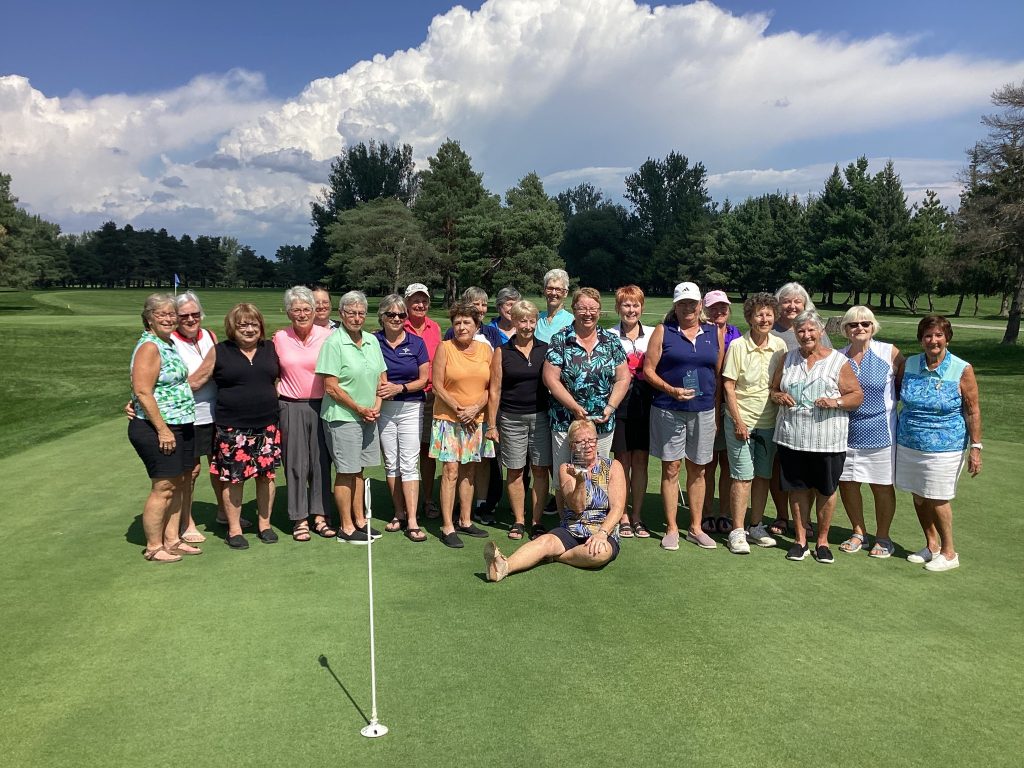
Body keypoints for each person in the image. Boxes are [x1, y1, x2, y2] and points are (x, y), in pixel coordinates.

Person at [770, 309, 863, 563]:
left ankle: (822, 541)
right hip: (793, 437)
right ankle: (800, 540)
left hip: (827, 439)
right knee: (797, 489)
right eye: (801, 330)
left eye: (811, 330)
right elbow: (774, 389)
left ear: (821, 331)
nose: (806, 335)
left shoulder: (838, 361)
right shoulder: (787, 359)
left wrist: (835, 401)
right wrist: (778, 396)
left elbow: (856, 395)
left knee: (825, 489)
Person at [484, 419, 625, 582]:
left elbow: (618, 508)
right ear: (572, 446)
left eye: (591, 440)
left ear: (597, 440)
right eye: (581, 441)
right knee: (544, 541)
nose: (588, 445)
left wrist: (602, 534)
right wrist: (580, 481)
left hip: (603, 529)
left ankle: (558, 556)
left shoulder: (613, 466)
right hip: (572, 528)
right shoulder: (566, 469)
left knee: (599, 554)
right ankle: (503, 566)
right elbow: (577, 507)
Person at [895, 315, 982, 572]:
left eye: (938, 335)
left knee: (938, 497)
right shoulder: (909, 364)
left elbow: (973, 410)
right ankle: (931, 545)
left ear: (947, 338)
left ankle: (949, 552)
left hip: (946, 446)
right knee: (919, 496)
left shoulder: (961, 369)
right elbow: (896, 393)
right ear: (921, 339)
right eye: (928, 336)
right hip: (910, 442)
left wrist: (976, 447)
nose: (933, 340)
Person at [643, 282, 724, 551]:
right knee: (671, 468)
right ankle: (672, 527)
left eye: (692, 303)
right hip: (668, 408)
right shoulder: (663, 331)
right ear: (675, 306)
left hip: (703, 410)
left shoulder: (713, 332)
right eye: (682, 304)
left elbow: (718, 372)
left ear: (700, 305)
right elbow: (648, 371)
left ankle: (696, 527)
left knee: (699, 469)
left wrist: (716, 409)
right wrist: (671, 389)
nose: (688, 308)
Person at [199, 303, 283, 549]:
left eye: (254, 324)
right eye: (242, 325)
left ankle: (264, 525)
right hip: (232, 427)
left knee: (267, 477)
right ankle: (234, 529)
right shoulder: (220, 351)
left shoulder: (270, 349)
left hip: (267, 424)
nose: (249, 329)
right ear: (232, 328)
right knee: (234, 479)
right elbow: (195, 381)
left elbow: (280, 379)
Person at [127, 293, 198, 562]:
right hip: (158, 427)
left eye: (172, 314)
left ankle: (172, 540)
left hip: (180, 424)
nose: (169, 319)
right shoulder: (149, 346)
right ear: (148, 318)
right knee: (164, 487)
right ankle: (154, 547)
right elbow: (143, 392)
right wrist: (163, 430)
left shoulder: (166, 343)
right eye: (162, 314)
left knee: (179, 483)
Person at [316, 291, 386, 545]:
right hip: (343, 416)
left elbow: (382, 378)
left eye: (360, 313)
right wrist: (359, 408)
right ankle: (346, 527)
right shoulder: (334, 343)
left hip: (368, 415)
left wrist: (376, 406)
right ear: (341, 314)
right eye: (351, 313)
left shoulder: (371, 340)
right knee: (347, 471)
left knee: (359, 470)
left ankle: (360, 521)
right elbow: (331, 387)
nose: (356, 318)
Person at [720, 292, 787, 554]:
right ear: (749, 317)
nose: (764, 318)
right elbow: (729, 385)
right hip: (742, 420)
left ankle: (756, 525)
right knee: (742, 476)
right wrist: (737, 421)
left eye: (769, 314)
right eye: (759, 314)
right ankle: (737, 531)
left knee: (762, 475)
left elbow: (776, 384)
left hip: (769, 421)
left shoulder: (780, 346)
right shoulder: (738, 346)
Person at [837, 306, 904, 558]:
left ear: (873, 326)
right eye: (854, 325)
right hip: (846, 432)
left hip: (881, 433)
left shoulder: (890, 352)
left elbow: (901, 384)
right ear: (846, 329)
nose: (860, 328)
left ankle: (883, 537)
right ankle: (858, 532)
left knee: (881, 487)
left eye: (865, 324)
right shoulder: (838, 356)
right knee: (849, 484)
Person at [768, 281, 831, 537]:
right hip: (774, 409)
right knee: (778, 467)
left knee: (810, 467)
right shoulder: (768, 327)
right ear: (778, 304)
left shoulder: (817, 330)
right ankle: (783, 515)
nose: (791, 305)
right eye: (786, 301)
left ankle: (804, 520)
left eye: (797, 301)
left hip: (810, 414)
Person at [543, 287, 629, 472]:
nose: (588, 314)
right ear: (573, 309)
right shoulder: (560, 340)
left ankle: (596, 503)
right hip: (565, 421)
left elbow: (623, 378)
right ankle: (564, 503)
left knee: (598, 475)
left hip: (601, 421)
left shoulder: (611, 341)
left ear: (599, 311)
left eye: (593, 309)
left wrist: (611, 407)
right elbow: (551, 379)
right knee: (565, 475)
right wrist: (574, 407)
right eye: (582, 308)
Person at [430, 301, 494, 548]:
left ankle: (465, 520)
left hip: (476, 419)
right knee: (451, 471)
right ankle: (448, 526)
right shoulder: (445, 348)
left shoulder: (486, 351)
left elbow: (492, 388)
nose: (461, 327)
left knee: (469, 470)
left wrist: (475, 409)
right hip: (449, 420)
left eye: (466, 322)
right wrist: (459, 410)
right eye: (457, 322)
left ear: (476, 325)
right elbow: (437, 386)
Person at [273, 286, 335, 542]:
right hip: (291, 406)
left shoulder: (328, 335)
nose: (302, 314)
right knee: (296, 463)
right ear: (289, 312)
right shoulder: (280, 337)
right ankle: (299, 518)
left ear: (314, 310)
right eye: (296, 309)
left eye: (306, 309)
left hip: (323, 404)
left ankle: (320, 515)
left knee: (321, 463)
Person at [486, 300, 551, 541]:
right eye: (522, 321)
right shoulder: (502, 351)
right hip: (511, 418)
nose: (527, 326)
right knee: (514, 470)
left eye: (531, 320)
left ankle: (537, 520)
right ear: (513, 322)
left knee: (540, 470)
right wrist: (492, 425)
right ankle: (518, 521)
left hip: (541, 417)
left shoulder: (545, 349)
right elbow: (495, 390)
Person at [374, 294, 430, 543]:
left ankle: (413, 520)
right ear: (382, 317)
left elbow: (423, 379)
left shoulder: (416, 343)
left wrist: (400, 388)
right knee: (391, 462)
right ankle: (398, 512)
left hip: (410, 407)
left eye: (400, 315)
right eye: (391, 315)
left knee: (408, 462)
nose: (396, 319)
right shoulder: (373, 341)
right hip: (384, 409)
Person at [606, 284, 655, 539]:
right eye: (626, 304)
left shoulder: (653, 334)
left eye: (635, 305)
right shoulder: (608, 335)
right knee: (622, 462)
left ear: (642, 307)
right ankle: (622, 514)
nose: (631, 309)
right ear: (618, 307)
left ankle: (637, 515)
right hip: (620, 405)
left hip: (646, 405)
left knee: (641, 462)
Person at [701, 290, 742, 535]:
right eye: (714, 308)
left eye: (723, 308)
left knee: (728, 463)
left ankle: (724, 512)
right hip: (707, 403)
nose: (719, 312)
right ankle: (706, 512)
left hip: (731, 405)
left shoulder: (735, 334)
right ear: (705, 310)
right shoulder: (701, 332)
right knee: (707, 464)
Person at [404, 283, 442, 520]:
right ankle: (405, 505)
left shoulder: (434, 328)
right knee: (406, 452)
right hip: (404, 396)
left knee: (427, 450)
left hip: (430, 396)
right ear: (406, 303)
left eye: (424, 301)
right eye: (415, 301)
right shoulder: (399, 323)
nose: (420, 305)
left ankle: (427, 499)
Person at [535, 268, 574, 343]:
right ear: (544, 291)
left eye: (558, 289)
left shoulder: (572, 321)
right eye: (550, 288)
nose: (553, 293)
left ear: (565, 293)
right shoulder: (536, 319)